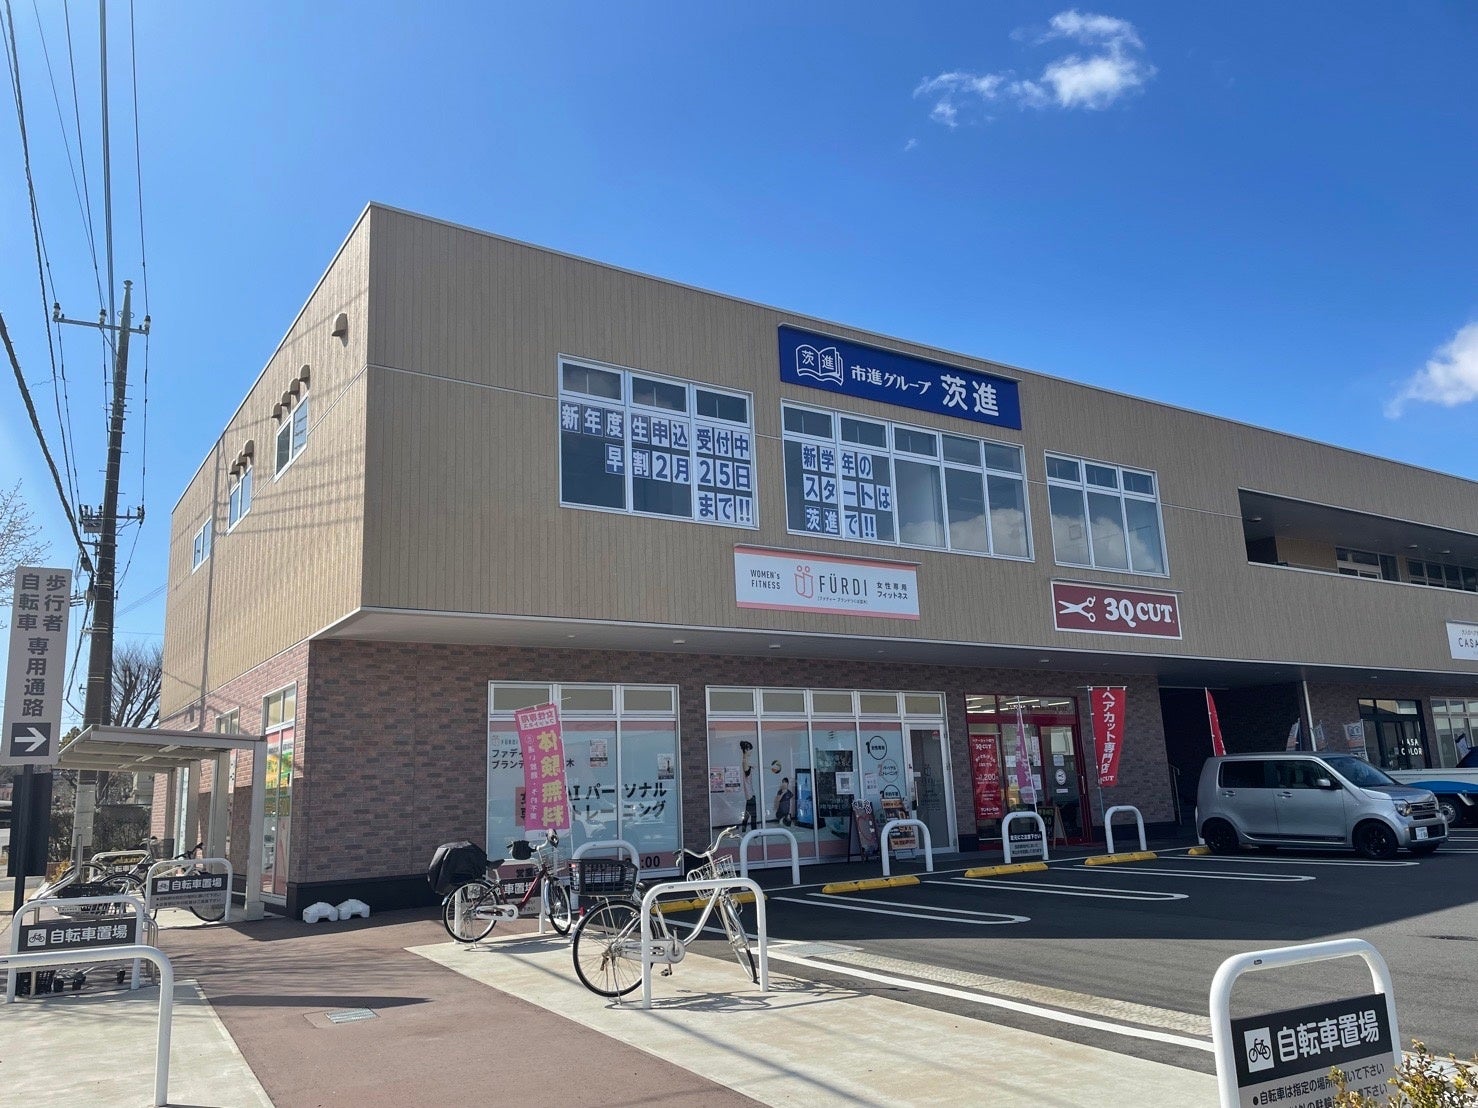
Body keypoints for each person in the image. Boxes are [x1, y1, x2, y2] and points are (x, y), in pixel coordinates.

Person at [739, 740, 756, 831]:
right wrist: (750, 766)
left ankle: (743, 828)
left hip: (749, 792)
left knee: (748, 813)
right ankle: (755, 833)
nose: (751, 751)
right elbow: (747, 771)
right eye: (750, 749)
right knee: (753, 814)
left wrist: (751, 766)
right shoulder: (745, 761)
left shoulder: (746, 761)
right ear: (746, 750)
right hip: (750, 794)